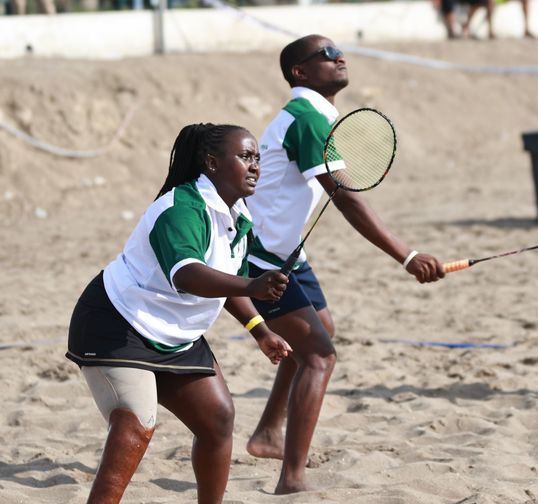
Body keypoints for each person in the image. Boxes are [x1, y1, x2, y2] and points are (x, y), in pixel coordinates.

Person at [243, 34, 446, 494]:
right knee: (320, 356)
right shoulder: (307, 119)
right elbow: (347, 199)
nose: (339, 57)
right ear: (300, 72)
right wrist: (407, 256)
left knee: (322, 330)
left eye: (339, 52)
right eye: (326, 55)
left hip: (287, 249)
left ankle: (269, 433)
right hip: (260, 253)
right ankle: (292, 481)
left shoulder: (318, 116)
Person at [66, 123, 293, 503]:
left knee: (218, 418)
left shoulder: (237, 213)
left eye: (257, 158)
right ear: (211, 163)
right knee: (136, 424)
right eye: (244, 156)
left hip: (176, 335)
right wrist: (252, 285)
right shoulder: (181, 207)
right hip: (117, 325)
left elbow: (227, 278)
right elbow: (187, 275)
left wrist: (260, 330)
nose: (255, 166)